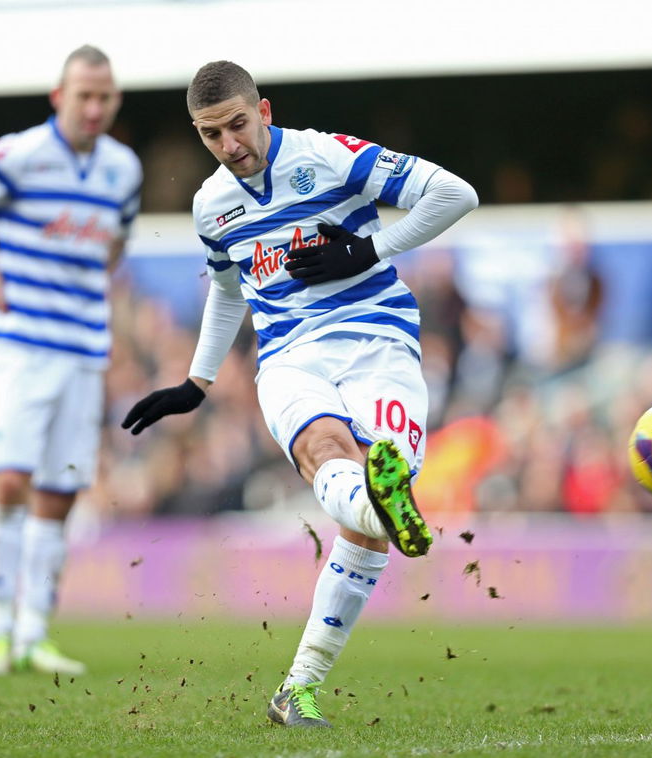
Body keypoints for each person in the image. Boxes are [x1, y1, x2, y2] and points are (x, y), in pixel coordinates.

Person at [122, 61, 478, 727]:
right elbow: (227, 291)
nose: (229, 145)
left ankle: (297, 685)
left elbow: (454, 194)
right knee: (325, 449)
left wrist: (368, 249)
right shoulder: (211, 206)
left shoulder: (328, 155)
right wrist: (196, 384)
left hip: (379, 343)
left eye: (236, 124)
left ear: (264, 109)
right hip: (288, 356)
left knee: (366, 528)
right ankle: (380, 499)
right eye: (210, 135)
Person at [0, 45, 141, 677]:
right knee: (9, 479)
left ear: (115, 99)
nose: (94, 107)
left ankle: (36, 631)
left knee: (61, 491)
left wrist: (89, 285)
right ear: (58, 96)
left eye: (105, 96)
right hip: (18, 345)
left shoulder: (123, 168)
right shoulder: (21, 154)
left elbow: (117, 239)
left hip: (83, 348)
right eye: (83, 95)